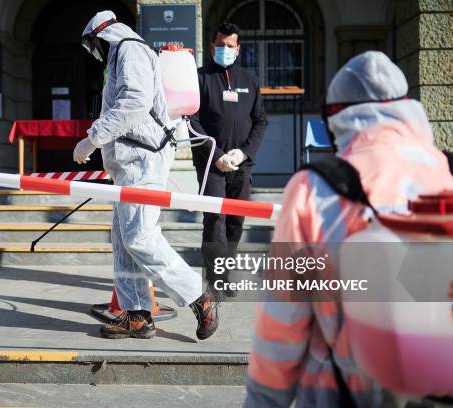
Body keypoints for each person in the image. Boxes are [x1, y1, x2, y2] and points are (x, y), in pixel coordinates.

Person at [244, 51, 453, 407]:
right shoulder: (447, 171)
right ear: (406, 108)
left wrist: (264, 399)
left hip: (340, 394)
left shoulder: (315, 188)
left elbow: (283, 319)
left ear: (337, 117)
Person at [74, 10, 220, 340]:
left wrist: (93, 138)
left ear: (100, 35)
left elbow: (135, 103)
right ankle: (137, 315)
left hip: (143, 159)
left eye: (92, 45)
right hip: (130, 164)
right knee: (125, 243)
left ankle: (201, 297)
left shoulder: (128, 48)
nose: (94, 53)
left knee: (140, 237)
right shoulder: (123, 53)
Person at [189, 22, 267, 297]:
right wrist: (217, 154)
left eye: (229, 46)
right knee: (215, 220)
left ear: (238, 49)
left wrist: (244, 152)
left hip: (241, 164)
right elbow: (192, 122)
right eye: (219, 45)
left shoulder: (250, 81)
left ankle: (224, 275)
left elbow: (260, 121)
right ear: (212, 47)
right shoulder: (199, 78)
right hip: (211, 163)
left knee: (235, 221)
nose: (224, 50)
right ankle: (214, 281)